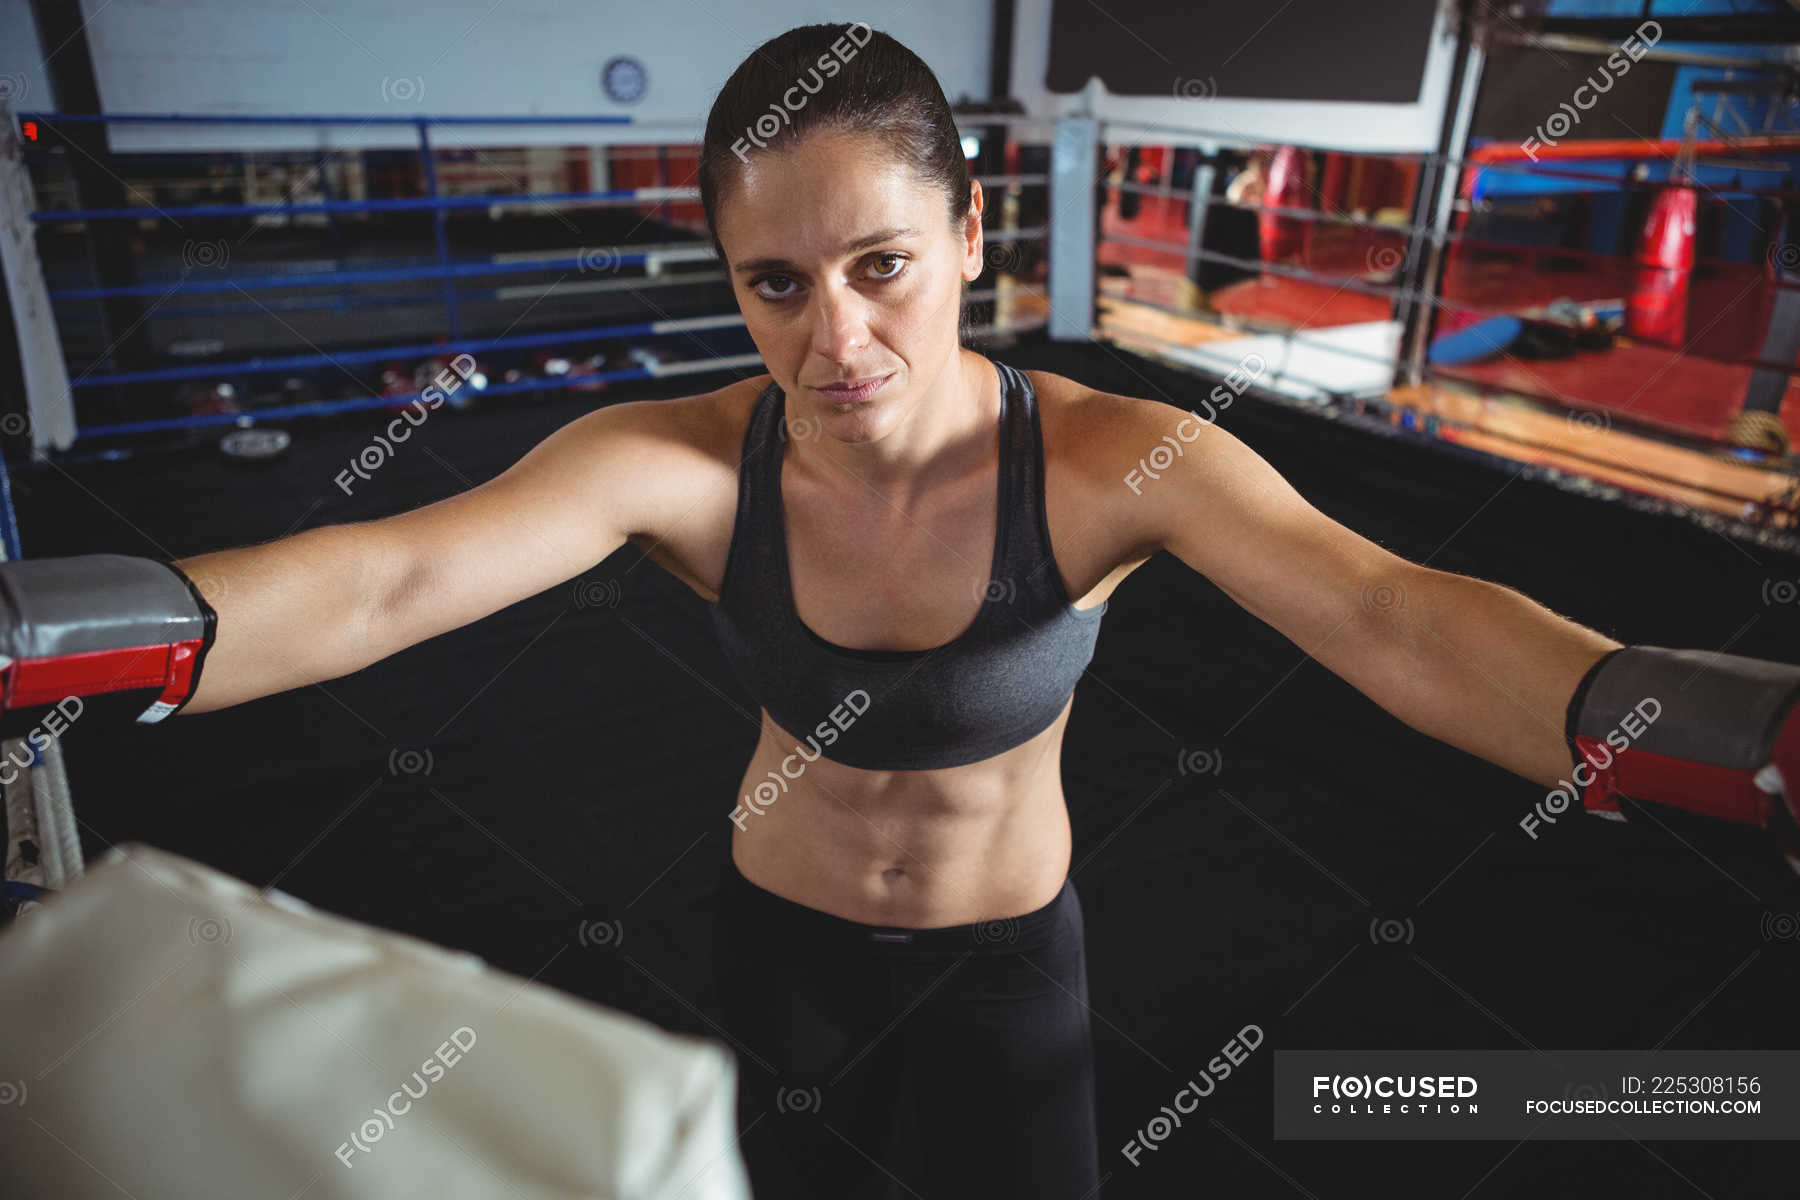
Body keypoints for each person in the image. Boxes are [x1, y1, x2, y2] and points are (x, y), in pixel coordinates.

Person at [2, 23, 1796, 1200]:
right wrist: (79, 629)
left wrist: (1728, 730)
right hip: (774, 953)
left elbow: (1396, 615)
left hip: (1010, 970)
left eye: (881, 269)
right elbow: (389, 575)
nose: (833, 343)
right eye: (773, 286)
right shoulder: (681, 461)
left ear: (969, 234)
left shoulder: (1109, 460)